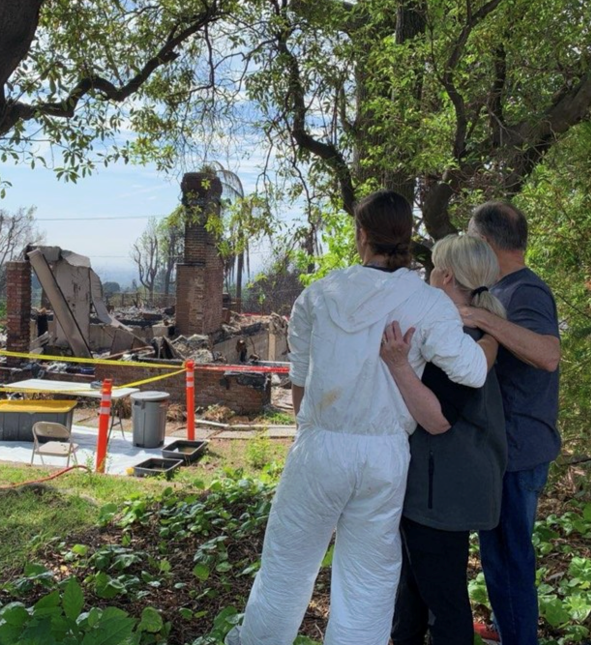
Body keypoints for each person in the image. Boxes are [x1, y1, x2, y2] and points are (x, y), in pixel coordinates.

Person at [225, 190, 492, 645]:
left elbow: (301, 382)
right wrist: (491, 334)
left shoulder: (321, 295)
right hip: (385, 456)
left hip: (322, 445)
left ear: (362, 234)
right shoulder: (428, 303)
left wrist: (310, 431)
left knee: (286, 568)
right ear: (407, 237)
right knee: (367, 584)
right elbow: (471, 371)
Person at [381, 235, 508, 645]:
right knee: (416, 592)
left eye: (434, 267)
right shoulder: (476, 334)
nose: (428, 274)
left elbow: (436, 420)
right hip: (445, 488)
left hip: (440, 494)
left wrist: (399, 364)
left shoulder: (455, 341)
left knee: (444, 599)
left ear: (447, 275)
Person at [463, 201, 561, 645]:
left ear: (484, 243)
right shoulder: (503, 289)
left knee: (510, 558)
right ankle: (510, 632)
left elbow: (547, 354)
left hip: (519, 453)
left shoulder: (526, 292)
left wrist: (483, 319)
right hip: (501, 451)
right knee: (497, 556)